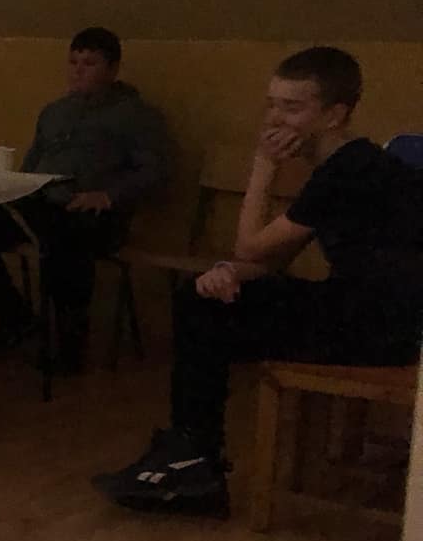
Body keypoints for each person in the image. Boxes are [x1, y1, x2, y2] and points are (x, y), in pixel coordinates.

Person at [95, 47, 423, 517]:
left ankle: (194, 460)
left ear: (334, 115)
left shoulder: (350, 172)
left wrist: (264, 165)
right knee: (208, 297)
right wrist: (229, 273)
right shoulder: (354, 164)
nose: (275, 119)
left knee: (203, 309)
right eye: (272, 104)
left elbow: (250, 246)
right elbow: (271, 260)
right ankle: (192, 455)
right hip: (372, 312)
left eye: (293, 108)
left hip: (381, 328)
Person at [0, 27, 170, 369]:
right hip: (43, 202)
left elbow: (156, 170)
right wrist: (14, 189)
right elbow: (32, 164)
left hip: (95, 214)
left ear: (112, 69)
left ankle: (68, 345)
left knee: (65, 237)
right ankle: (15, 316)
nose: (78, 71)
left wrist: (109, 195)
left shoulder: (136, 116)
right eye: (73, 62)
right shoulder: (54, 112)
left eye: (89, 64)